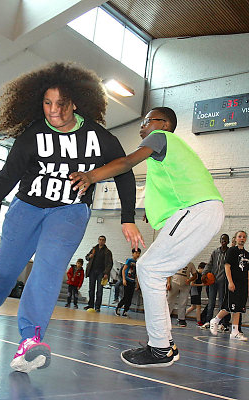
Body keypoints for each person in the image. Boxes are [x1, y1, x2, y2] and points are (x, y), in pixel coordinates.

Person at [0, 62, 141, 373]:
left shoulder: (98, 136)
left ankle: (31, 339)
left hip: (69, 211)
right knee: (4, 271)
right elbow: (5, 178)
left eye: (61, 104)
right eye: (48, 103)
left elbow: (123, 169)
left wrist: (128, 218)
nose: (54, 111)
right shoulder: (32, 135)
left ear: (75, 102)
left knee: (48, 270)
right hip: (27, 207)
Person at [71, 106, 224, 368]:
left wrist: (90, 176)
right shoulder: (168, 153)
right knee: (151, 269)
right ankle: (164, 344)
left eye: (146, 121)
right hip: (197, 211)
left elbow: (127, 163)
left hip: (198, 210)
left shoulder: (161, 139)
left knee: (149, 269)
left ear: (164, 124)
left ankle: (160, 347)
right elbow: (171, 187)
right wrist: (153, 213)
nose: (142, 127)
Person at [210, 231, 249, 341]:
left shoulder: (247, 254)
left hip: (243, 284)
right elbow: (227, 267)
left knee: (239, 308)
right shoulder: (232, 251)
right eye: (240, 236)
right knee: (230, 307)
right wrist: (230, 282)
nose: (242, 238)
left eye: (244, 237)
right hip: (234, 282)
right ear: (235, 239)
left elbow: (248, 272)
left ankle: (235, 332)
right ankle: (216, 320)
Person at [201, 234, 231, 330]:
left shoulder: (230, 252)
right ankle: (208, 321)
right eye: (222, 239)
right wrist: (204, 274)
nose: (224, 241)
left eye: (225, 240)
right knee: (211, 302)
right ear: (220, 241)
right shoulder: (215, 252)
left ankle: (220, 323)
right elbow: (209, 264)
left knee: (222, 303)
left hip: (224, 282)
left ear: (228, 241)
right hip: (213, 281)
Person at [84, 236, 113, 312]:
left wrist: (106, 273)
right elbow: (86, 257)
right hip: (92, 271)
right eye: (100, 240)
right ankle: (90, 305)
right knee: (91, 289)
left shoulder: (107, 251)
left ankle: (97, 306)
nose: (101, 241)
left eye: (103, 240)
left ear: (105, 241)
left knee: (99, 290)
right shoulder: (94, 249)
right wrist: (89, 256)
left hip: (101, 272)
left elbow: (110, 264)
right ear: (98, 240)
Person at [166, 262, 197, 327]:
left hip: (185, 285)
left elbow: (195, 275)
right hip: (174, 282)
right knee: (170, 301)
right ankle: (166, 318)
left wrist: (190, 280)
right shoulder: (176, 261)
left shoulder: (190, 264)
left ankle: (181, 319)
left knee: (183, 302)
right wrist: (168, 283)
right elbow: (169, 273)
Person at [115, 248, 141, 317]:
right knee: (125, 296)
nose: (137, 254)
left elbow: (137, 275)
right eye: (136, 253)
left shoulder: (138, 263)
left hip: (132, 281)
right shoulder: (129, 260)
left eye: (138, 253)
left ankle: (125, 311)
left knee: (130, 298)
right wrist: (124, 279)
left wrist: (137, 284)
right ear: (132, 254)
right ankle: (118, 308)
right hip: (127, 280)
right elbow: (123, 270)